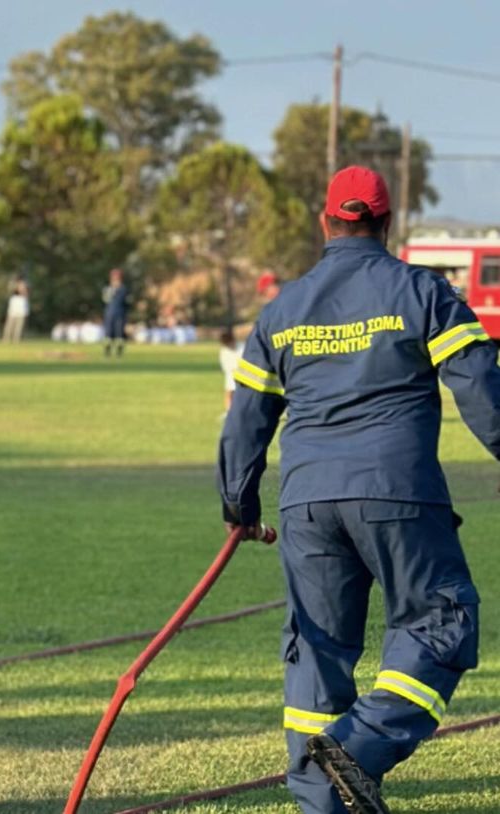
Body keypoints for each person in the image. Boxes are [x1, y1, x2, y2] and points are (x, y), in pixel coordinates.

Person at [218, 166, 500, 814]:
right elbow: (481, 388)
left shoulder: (282, 308)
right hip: (398, 492)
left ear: (326, 222)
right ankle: (362, 748)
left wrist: (239, 503)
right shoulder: (421, 290)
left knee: (317, 655)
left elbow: (246, 416)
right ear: (387, 222)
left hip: (306, 505)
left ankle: (324, 799)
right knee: (441, 622)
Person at [102, 268, 129, 357]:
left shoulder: (123, 289)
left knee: (119, 333)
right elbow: (105, 299)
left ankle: (119, 353)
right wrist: (112, 290)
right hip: (110, 313)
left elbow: (125, 302)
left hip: (120, 314)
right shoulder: (108, 288)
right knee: (108, 333)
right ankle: (107, 352)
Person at [217, 329, 242, 415]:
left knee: (241, 393)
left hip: (243, 374)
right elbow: (224, 364)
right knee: (229, 393)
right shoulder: (224, 351)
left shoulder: (242, 347)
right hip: (231, 374)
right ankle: (229, 411)